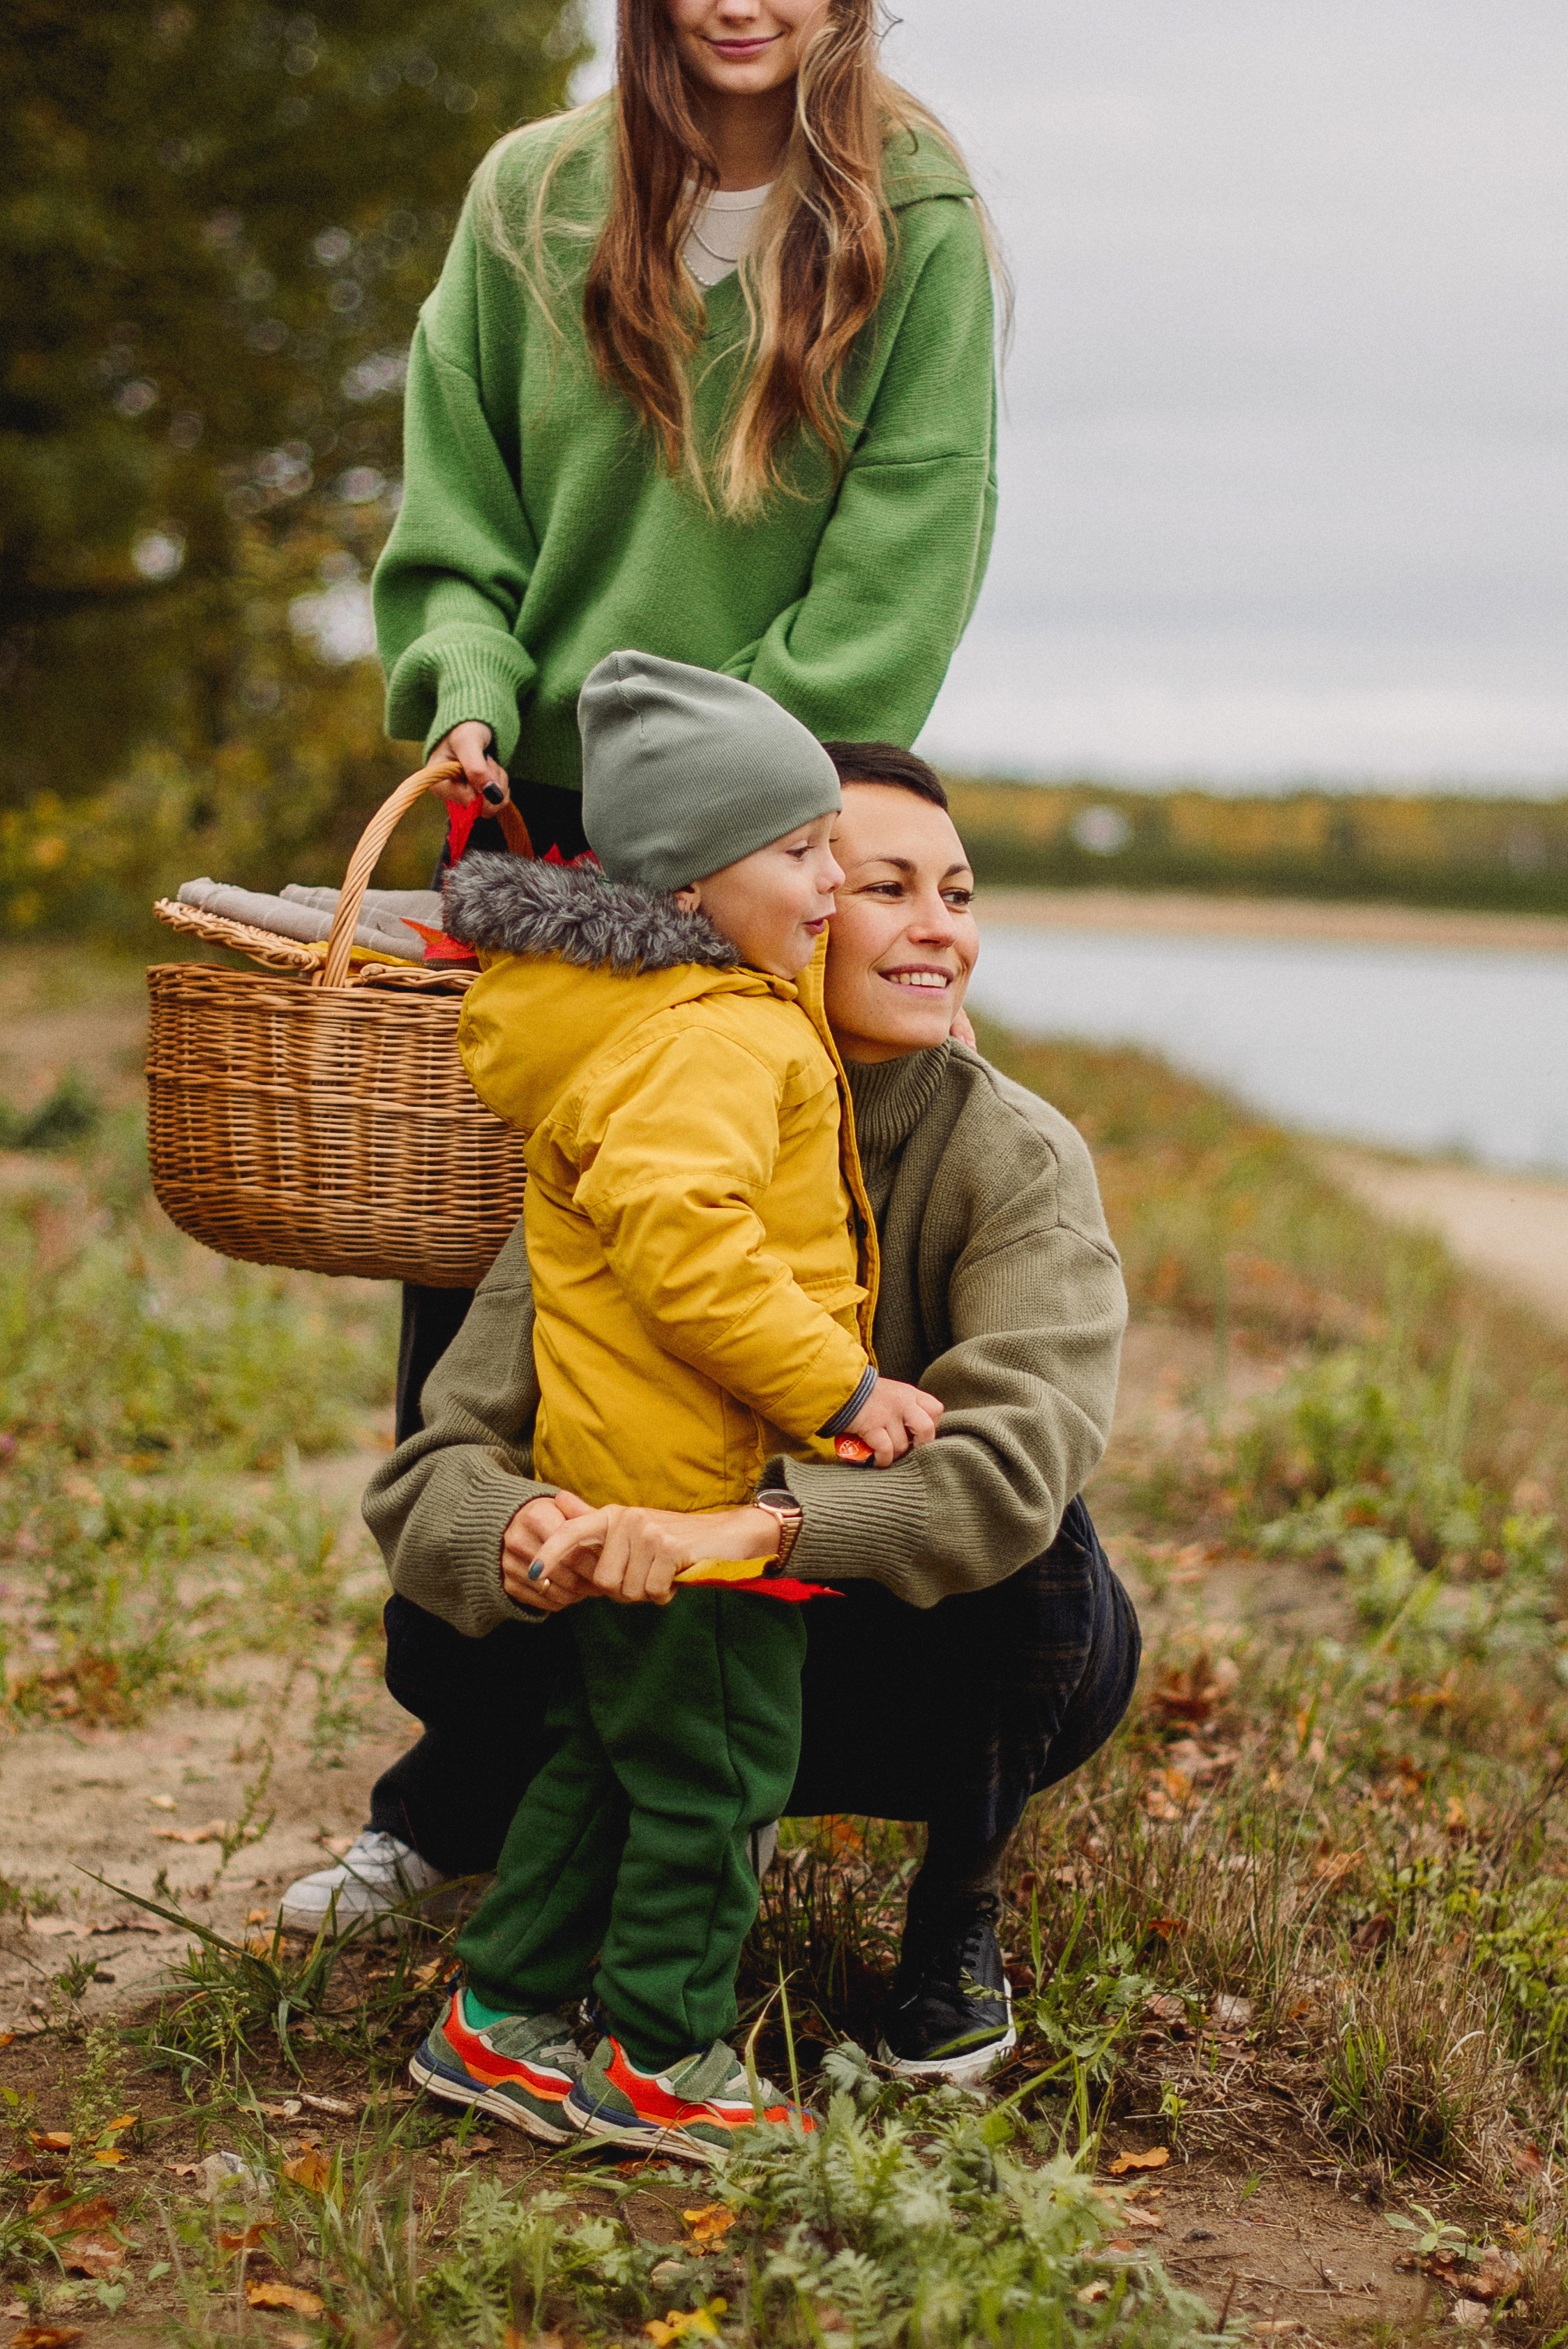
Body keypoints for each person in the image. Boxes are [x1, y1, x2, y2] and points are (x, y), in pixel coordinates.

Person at [281, 750, 1139, 2088]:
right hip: (660, 1639)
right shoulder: (645, 1103)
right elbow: (441, 1459)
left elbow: (1022, 1452)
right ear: (768, 905)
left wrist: (750, 1530)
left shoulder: (1012, 1151)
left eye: (958, 893)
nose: (939, 928)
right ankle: (538, 1938)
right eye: (881, 886)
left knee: (1042, 1542)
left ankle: (955, 1919)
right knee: (476, 1616)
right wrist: (528, 1532)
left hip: (882, 1639)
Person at [370, 0, 1000, 1450]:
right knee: (480, 1277)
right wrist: (462, 674)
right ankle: (471, 1648)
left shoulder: (920, 220)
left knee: (738, 1259)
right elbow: (455, 502)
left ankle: (742, 1632)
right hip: (539, 838)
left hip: (775, 845)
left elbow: (901, 567)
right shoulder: (528, 195)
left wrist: (716, 794)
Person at [404, 651, 946, 2158]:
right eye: (797, 853)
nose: (832, 881)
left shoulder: (678, 1013)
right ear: (693, 885)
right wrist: (838, 1388)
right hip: (685, 1481)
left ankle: (496, 2019)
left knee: (611, 1754)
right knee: (715, 1775)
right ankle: (659, 2048)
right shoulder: (712, 1030)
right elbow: (686, 1245)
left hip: (625, 1462)